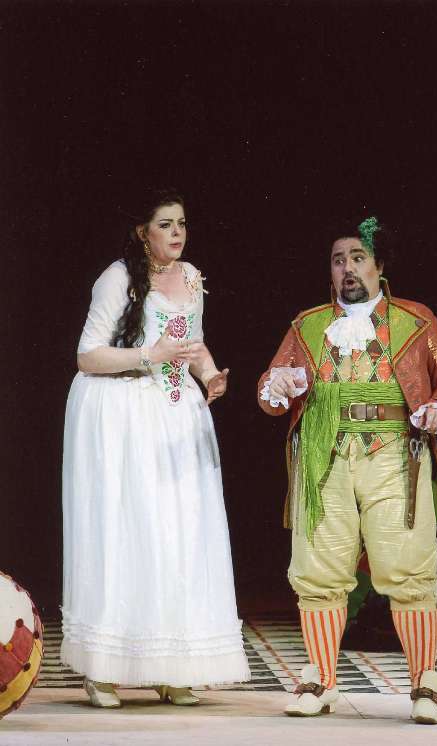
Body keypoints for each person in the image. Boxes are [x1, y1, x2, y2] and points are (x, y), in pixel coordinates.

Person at [257, 216, 437, 723]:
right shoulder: (308, 325)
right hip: (324, 457)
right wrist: (276, 385)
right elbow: (270, 389)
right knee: (318, 568)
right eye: (338, 260)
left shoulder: (415, 321)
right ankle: (320, 680)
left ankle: (424, 683)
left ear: (379, 265)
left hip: (393, 453)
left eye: (357, 257)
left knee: (407, 565)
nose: (347, 268)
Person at [62, 189, 250, 708]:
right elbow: (87, 355)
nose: (177, 232)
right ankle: (103, 670)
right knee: (125, 532)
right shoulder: (117, 278)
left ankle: (172, 666)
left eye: (181, 223)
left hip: (173, 415)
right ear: (142, 233)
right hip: (122, 414)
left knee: (178, 535)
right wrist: (151, 355)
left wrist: (209, 374)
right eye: (165, 224)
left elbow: (192, 344)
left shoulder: (191, 277)